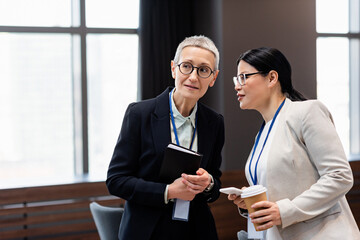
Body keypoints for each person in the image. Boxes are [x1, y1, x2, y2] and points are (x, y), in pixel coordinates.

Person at [228, 47, 360, 240]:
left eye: (244, 77)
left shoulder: (307, 112)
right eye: (236, 79)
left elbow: (339, 176)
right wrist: (252, 202)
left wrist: (284, 211)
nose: (237, 86)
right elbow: (281, 191)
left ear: (272, 78)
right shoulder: (263, 131)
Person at [106, 35, 224, 240]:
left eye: (203, 70)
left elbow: (215, 181)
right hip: (148, 231)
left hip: (196, 230)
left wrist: (209, 183)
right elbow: (116, 180)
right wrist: (168, 191)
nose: (194, 77)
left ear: (213, 78)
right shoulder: (139, 114)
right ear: (173, 68)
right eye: (186, 66)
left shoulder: (214, 122)